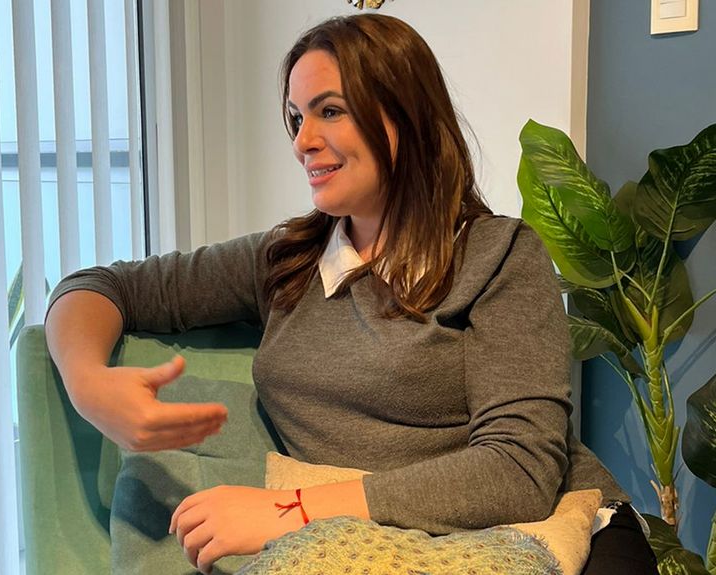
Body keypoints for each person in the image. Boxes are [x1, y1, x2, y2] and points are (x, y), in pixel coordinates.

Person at [45, 13, 657, 575]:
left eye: (330, 111)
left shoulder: (498, 256)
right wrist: (89, 383)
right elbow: (100, 287)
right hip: (373, 547)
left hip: (556, 531)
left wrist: (290, 510)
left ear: (407, 117)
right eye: (296, 118)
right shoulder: (285, 261)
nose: (302, 141)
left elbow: (518, 471)